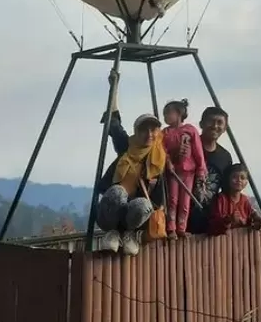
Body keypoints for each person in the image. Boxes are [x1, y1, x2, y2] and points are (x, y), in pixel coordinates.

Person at [97, 70, 167, 256]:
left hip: (135, 215)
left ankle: (129, 235)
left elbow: (159, 197)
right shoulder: (126, 146)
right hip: (111, 210)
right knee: (117, 191)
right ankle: (112, 233)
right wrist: (114, 88)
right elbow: (114, 121)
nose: (149, 135)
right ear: (137, 131)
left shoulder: (159, 158)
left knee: (144, 204)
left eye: (153, 130)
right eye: (144, 130)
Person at [162, 98, 207, 239]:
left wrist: (201, 169)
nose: (166, 117)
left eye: (169, 113)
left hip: (188, 171)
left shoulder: (190, 130)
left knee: (185, 200)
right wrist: (167, 161)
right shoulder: (164, 133)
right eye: (165, 114)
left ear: (179, 113)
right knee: (173, 200)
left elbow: (198, 151)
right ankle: (171, 228)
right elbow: (162, 151)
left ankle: (181, 227)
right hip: (173, 171)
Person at [188, 106, 233, 235]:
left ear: (225, 128)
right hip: (183, 218)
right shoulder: (188, 147)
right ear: (201, 124)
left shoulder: (225, 157)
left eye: (220, 123)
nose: (215, 126)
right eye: (211, 121)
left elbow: (226, 191)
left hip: (208, 221)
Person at [207, 164, 261, 235]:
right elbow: (212, 226)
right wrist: (228, 220)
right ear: (228, 179)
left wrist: (256, 220)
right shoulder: (220, 199)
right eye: (234, 177)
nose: (239, 180)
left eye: (242, 178)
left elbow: (252, 217)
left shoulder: (245, 200)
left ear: (246, 182)